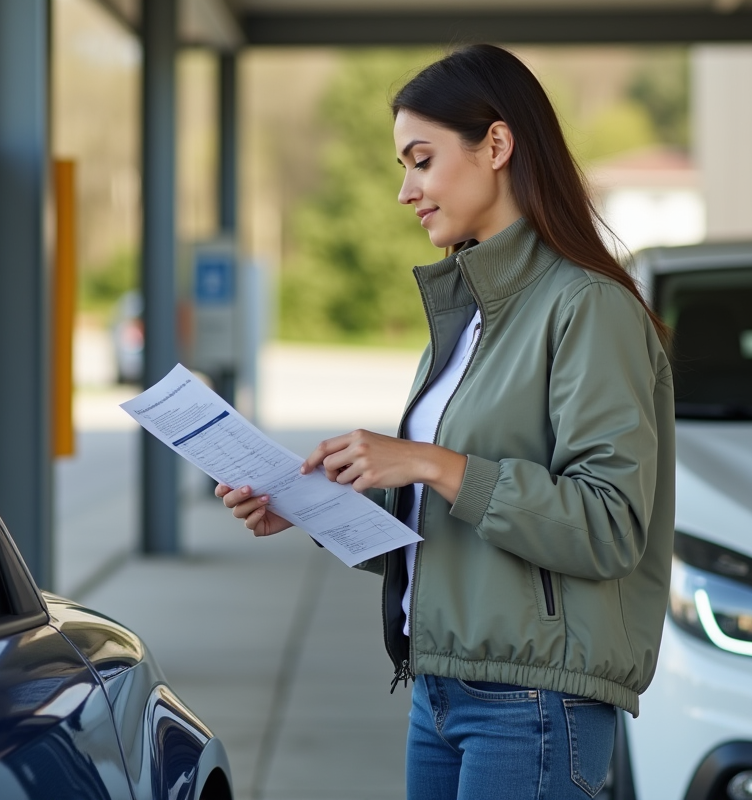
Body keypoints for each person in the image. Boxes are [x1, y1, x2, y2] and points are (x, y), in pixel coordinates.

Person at [216, 44, 675, 800]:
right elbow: (460, 523)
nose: (405, 190)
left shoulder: (588, 308)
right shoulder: (471, 320)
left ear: (496, 145)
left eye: (420, 160)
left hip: (533, 703)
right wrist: (308, 508)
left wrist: (432, 462)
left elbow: (609, 524)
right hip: (440, 692)